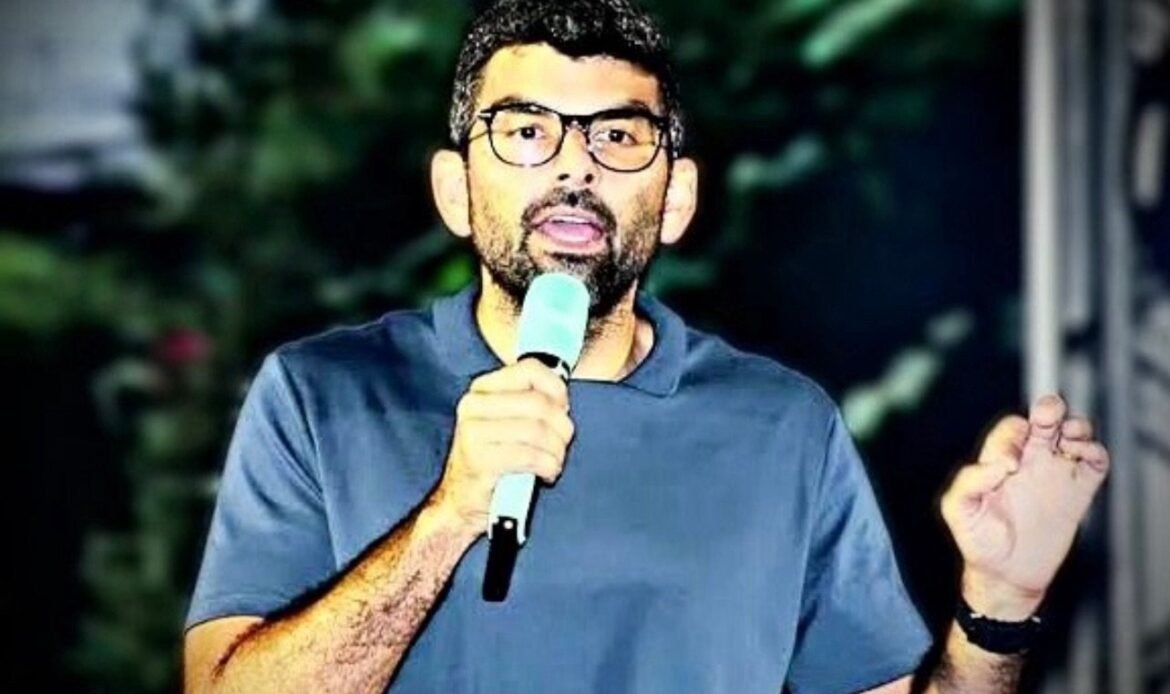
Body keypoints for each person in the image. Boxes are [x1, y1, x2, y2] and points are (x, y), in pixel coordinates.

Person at [182, 1, 1111, 691]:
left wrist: (999, 606)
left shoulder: (782, 426)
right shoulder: (323, 395)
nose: (574, 165)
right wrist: (448, 517)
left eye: (619, 135)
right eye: (526, 132)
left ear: (676, 201)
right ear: (455, 190)